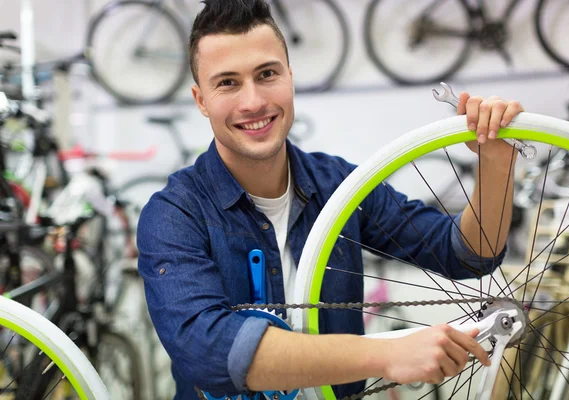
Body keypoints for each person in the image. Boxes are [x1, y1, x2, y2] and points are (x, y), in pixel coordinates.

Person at [137, 0, 525, 398]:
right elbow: (210, 352)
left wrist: (495, 163)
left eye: (267, 74)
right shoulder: (173, 214)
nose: (252, 101)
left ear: (290, 76)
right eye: (228, 83)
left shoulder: (341, 186)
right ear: (201, 100)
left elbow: (467, 253)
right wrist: (383, 354)